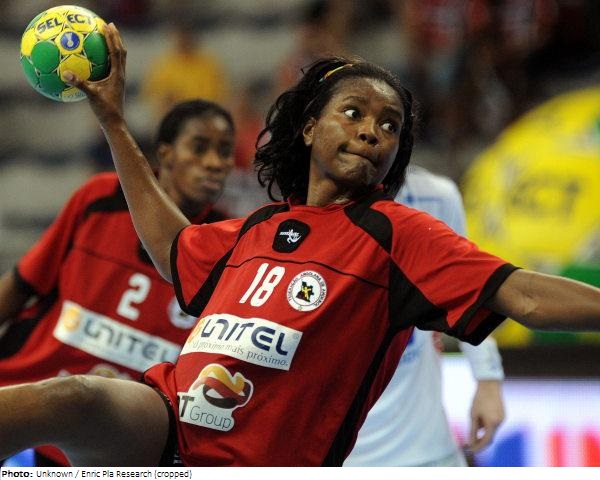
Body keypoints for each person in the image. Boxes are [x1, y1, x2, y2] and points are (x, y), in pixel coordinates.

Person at [1, 24, 600, 467]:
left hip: (261, 464)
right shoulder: (258, 227)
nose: (372, 131)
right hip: (169, 426)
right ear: (310, 128)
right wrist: (113, 121)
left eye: (390, 126)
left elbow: (525, 295)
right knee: (72, 397)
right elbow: (174, 248)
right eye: (354, 112)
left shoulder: (398, 233)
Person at [0, 99, 235, 466]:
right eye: (199, 147)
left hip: (109, 447)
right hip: (25, 404)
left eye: (224, 152)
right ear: (165, 153)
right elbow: (19, 287)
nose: (214, 162)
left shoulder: (228, 247)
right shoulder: (99, 199)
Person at [344, 165, 505, 466]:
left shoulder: (438, 197)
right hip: (344, 455)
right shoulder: (302, 207)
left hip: (428, 447)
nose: (371, 139)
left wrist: (488, 378)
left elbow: (466, 290)